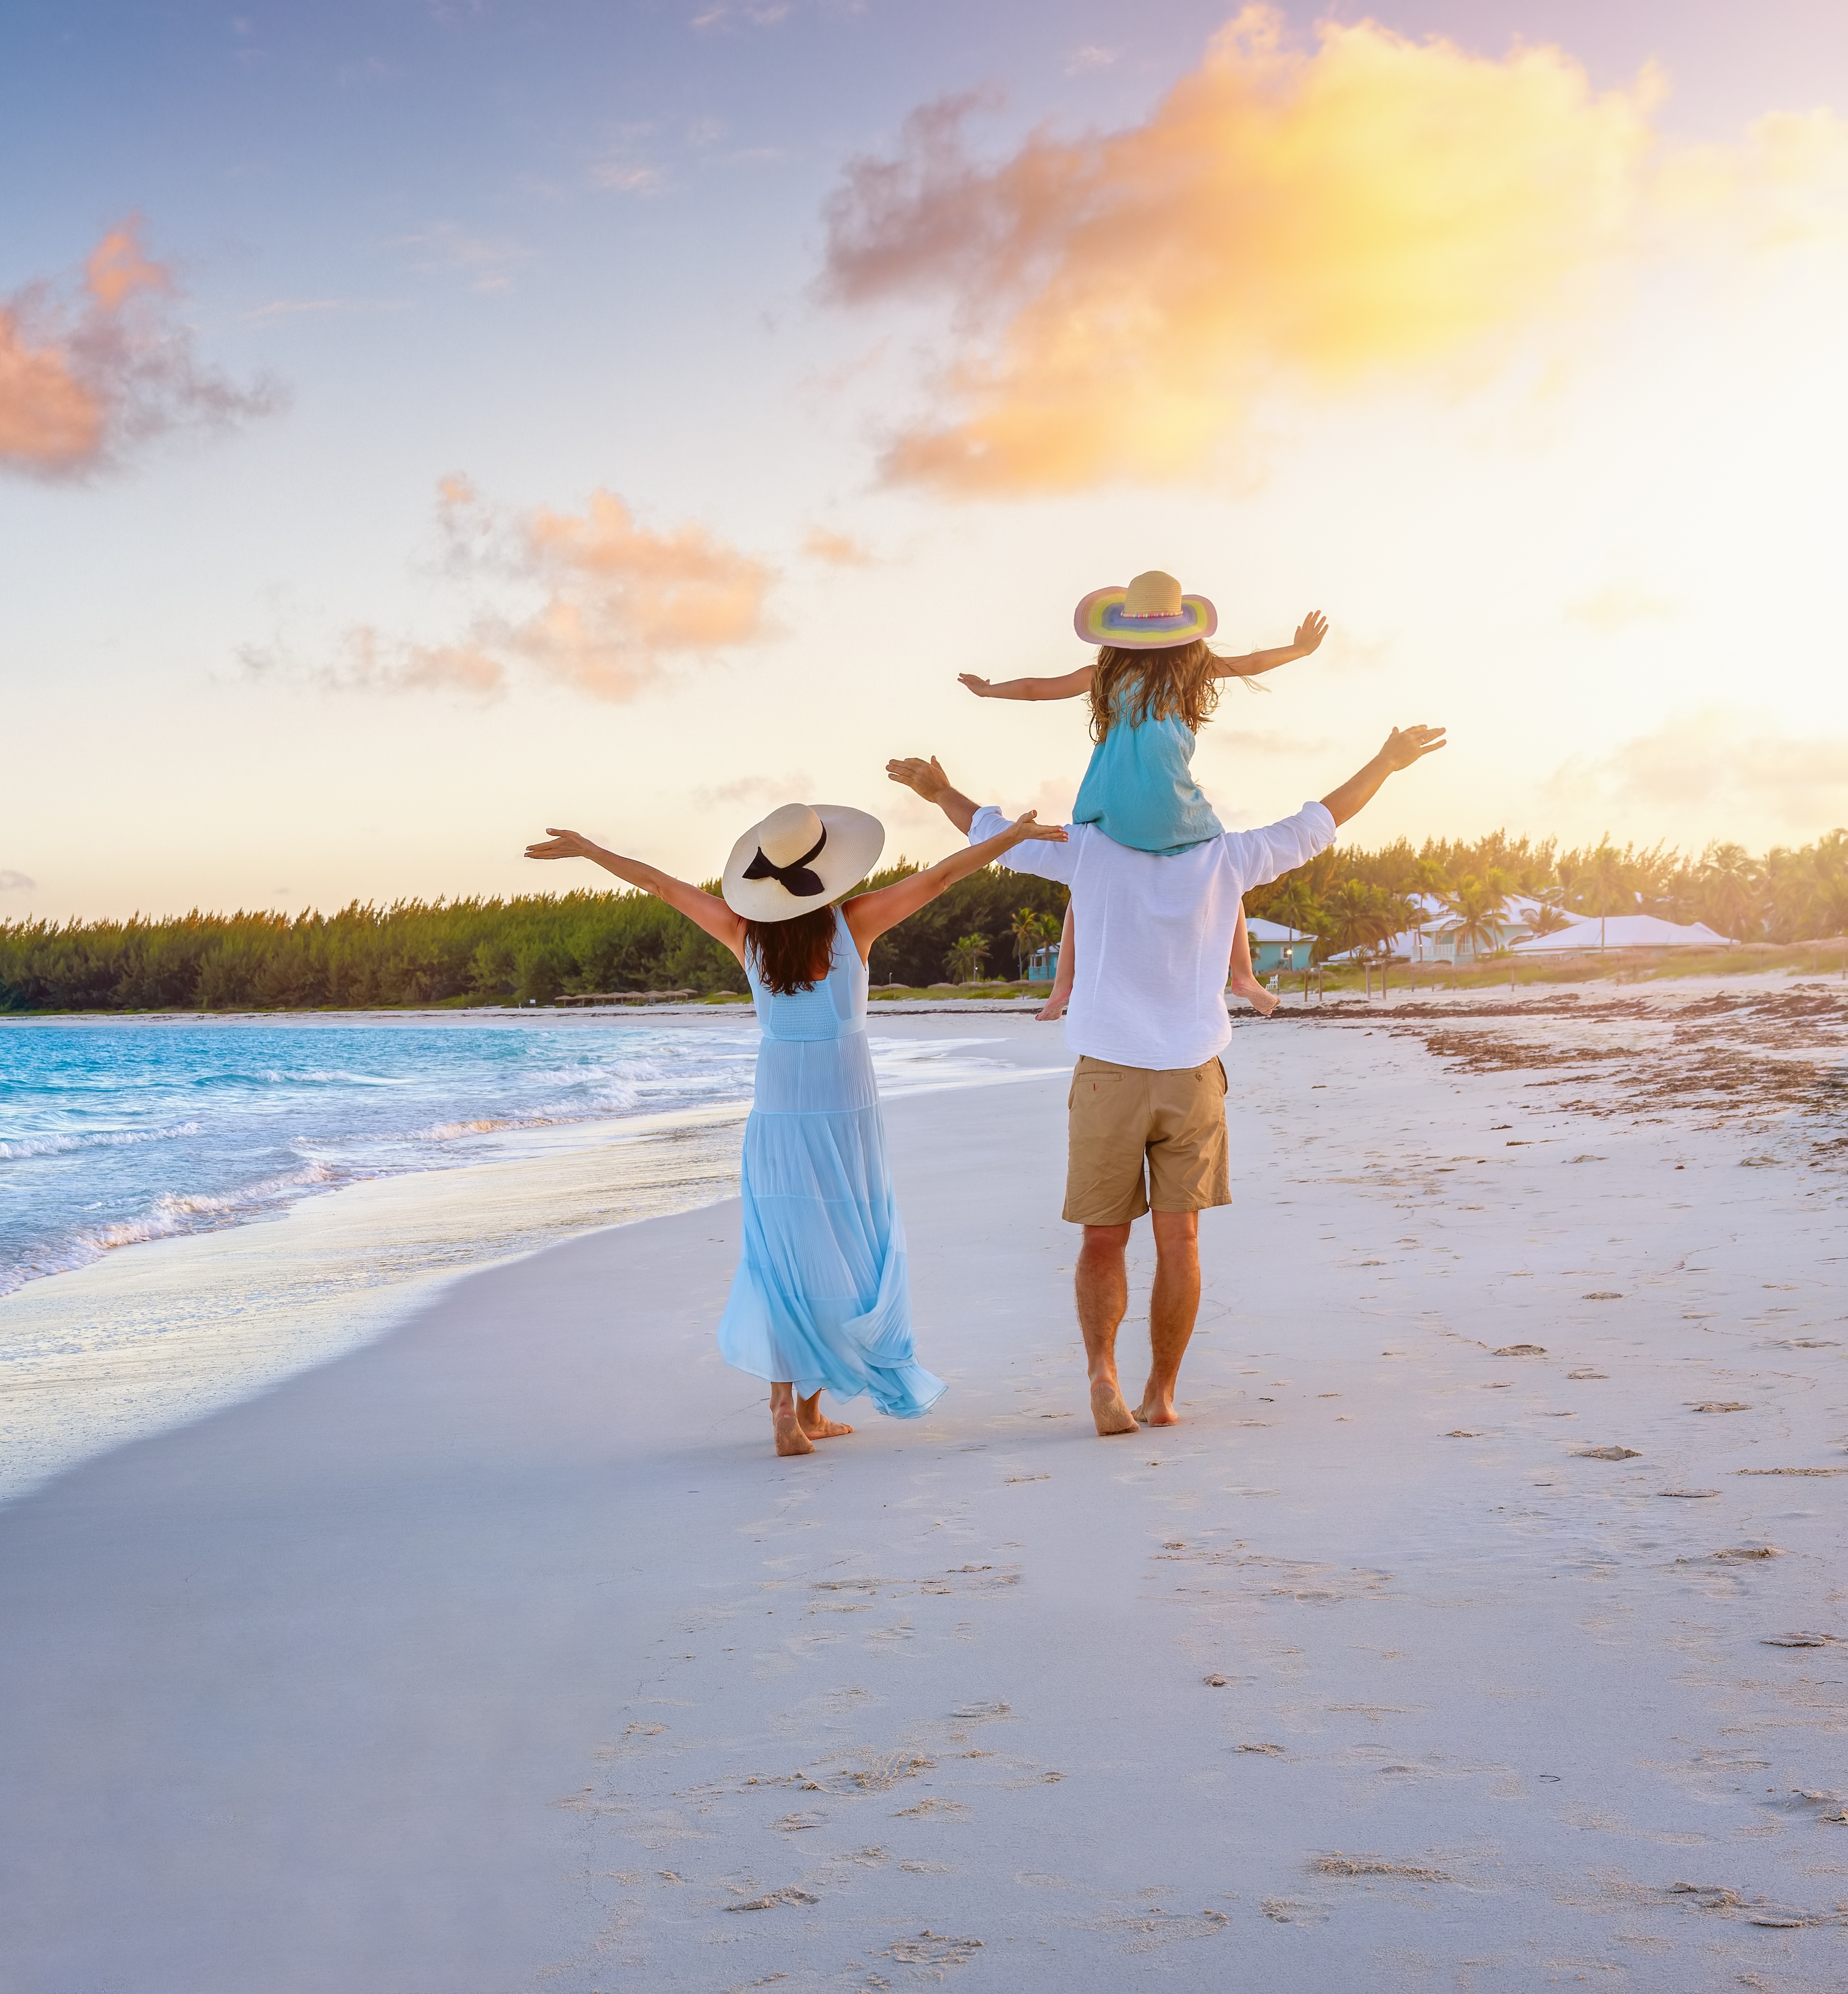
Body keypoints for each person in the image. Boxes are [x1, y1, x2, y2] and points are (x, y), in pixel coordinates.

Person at [886, 723, 1447, 1437]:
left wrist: (938, 791)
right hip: (1191, 1074)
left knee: (1102, 1240)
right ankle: (1161, 1392)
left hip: (1107, 1073)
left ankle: (1103, 1373)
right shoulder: (1227, 856)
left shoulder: (1086, 849)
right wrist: (1386, 762)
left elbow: (991, 833)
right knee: (1180, 1241)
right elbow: (1320, 823)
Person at [525, 799, 1066, 1456]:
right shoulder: (854, 923)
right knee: (842, 1246)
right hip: (845, 1105)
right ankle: (807, 1410)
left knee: (782, 1253)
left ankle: (788, 1407)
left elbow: (661, 886)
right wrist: (1010, 837)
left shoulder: (743, 932)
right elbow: (943, 877)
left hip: (780, 1106)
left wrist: (590, 850)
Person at [957, 571, 1328, 1021]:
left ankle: (1062, 986)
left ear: (1121, 632)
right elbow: (1251, 663)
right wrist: (1299, 650)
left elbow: (1037, 690)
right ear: (1181, 632)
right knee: (1224, 871)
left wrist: (989, 691)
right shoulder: (1188, 671)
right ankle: (1244, 976)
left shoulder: (1104, 676)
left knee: (1083, 880)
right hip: (1173, 809)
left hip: (1109, 808)